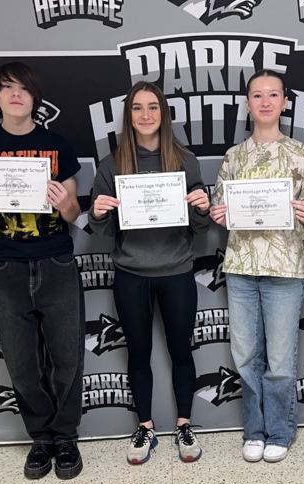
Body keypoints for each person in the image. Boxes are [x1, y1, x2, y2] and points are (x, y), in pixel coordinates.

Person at [0, 62, 86, 480]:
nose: (14, 95)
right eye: (6, 87)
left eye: (22, 89)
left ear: (35, 98)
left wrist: (63, 201)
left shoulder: (57, 145)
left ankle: (65, 437)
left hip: (56, 261)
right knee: (21, 362)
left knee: (67, 358)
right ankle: (40, 438)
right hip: (8, 264)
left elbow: (74, 213)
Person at [89, 81, 211, 464]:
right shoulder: (112, 164)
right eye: (138, 108)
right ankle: (144, 427)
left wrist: (203, 206)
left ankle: (184, 425)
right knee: (138, 354)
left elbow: (201, 227)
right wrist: (97, 213)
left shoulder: (185, 160)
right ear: (129, 116)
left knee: (181, 351)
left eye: (153, 107)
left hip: (176, 270)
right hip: (131, 273)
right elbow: (102, 232)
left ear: (164, 114)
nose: (146, 115)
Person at [209, 69, 304, 463]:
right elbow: (219, 205)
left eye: (272, 94)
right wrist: (219, 214)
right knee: (245, 355)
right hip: (241, 265)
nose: (264, 101)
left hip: (285, 268)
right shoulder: (234, 156)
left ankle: (279, 430)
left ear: (284, 102)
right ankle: (253, 431)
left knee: (279, 358)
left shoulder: (299, 154)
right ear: (247, 104)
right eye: (257, 95)